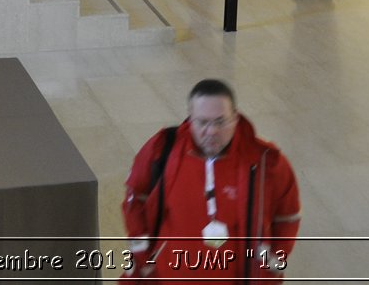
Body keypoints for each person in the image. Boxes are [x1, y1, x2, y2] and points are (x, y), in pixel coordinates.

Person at [121, 79, 301, 281]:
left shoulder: (267, 162)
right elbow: (135, 200)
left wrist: (273, 261)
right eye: (203, 122)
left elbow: (288, 217)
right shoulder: (161, 150)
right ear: (190, 120)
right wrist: (143, 257)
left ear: (235, 118)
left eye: (220, 121)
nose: (212, 131)